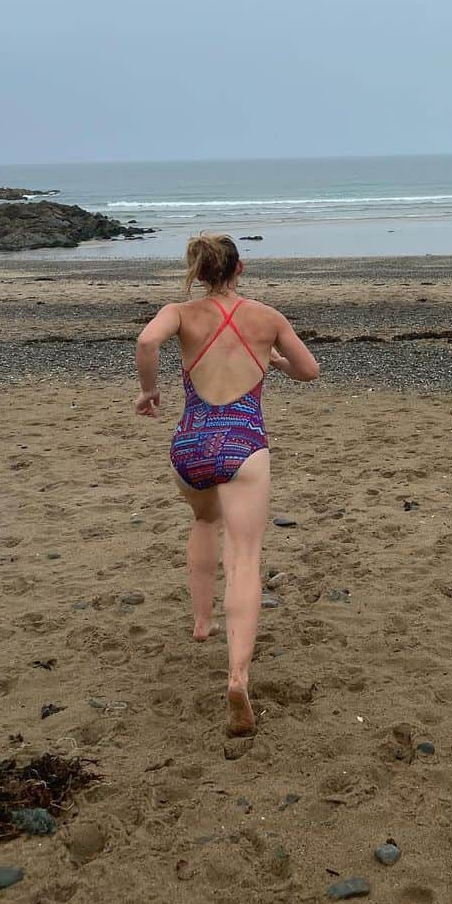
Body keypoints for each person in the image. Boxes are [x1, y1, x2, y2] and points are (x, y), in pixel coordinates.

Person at [134, 233, 320, 736]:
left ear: (198, 272)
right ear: (240, 269)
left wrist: (150, 391)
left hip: (190, 444)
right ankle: (237, 676)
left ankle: (201, 623)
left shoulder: (180, 312)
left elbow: (147, 340)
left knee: (203, 517)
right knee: (244, 557)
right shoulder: (267, 317)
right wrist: (276, 362)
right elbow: (310, 369)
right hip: (243, 443)